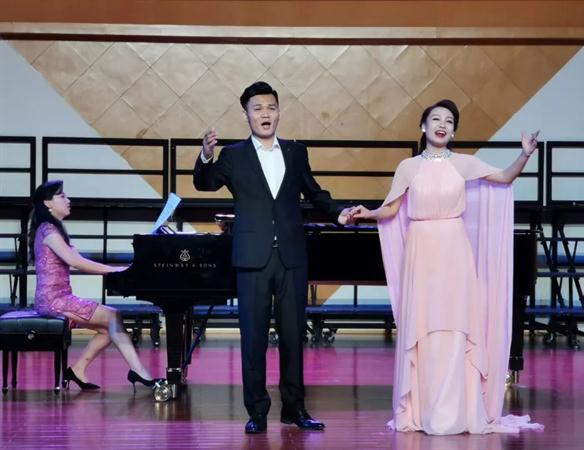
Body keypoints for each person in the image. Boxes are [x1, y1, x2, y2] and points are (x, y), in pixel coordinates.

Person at [349, 100, 543, 435]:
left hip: (454, 249)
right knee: (425, 326)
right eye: (436, 119)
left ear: (453, 131)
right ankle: (425, 410)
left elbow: (503, 177)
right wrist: (369, 213)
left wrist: (524, 155)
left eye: (449, 121)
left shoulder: (463, 163)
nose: (442, 124)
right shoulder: (408, 167)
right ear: (423, 126)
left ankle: (458, 411)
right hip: (422, 250)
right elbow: (391, 208)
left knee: (455, 325)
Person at [194, 81, 353, 434]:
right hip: (252, 257)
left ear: (279, 112)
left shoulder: (296, 152)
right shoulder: (233, 155)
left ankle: (295, 409)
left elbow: (313, 191)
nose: (265, 114)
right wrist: (206, 155)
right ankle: (257, 411)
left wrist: (338, 213)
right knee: (253, 338)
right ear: (247, 115)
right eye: (257, 109)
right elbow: (205, 184)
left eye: (271, 107)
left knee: (293, 336)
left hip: (292, 257)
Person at [29, 180, 160, 391]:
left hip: (59, 298)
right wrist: (117, 270)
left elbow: (79, 259)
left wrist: (119, 269)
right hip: (53, 301)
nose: (68, 200)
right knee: (113, 317)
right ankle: (138, 371)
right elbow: (76, 262)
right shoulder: (48, 231)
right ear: (47, 203)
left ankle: (78, 369)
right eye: (62, 196)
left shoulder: (53, 230)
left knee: (110, 325)